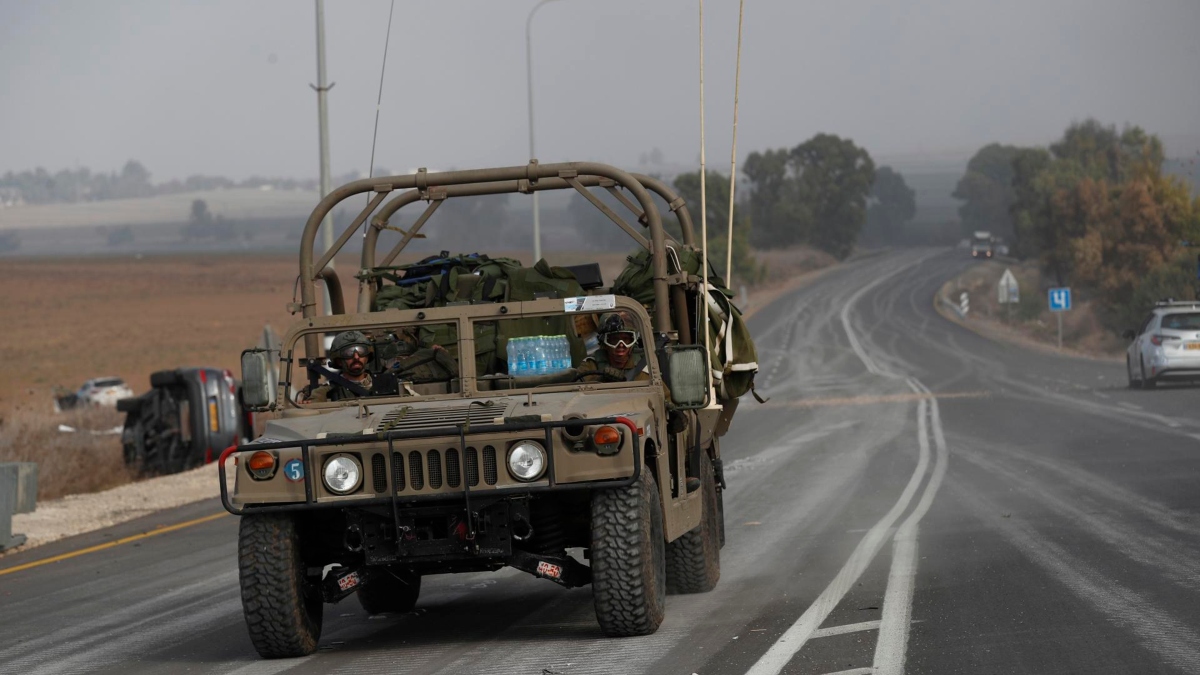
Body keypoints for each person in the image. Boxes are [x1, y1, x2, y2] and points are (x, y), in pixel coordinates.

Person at [303, 330, 400, 403]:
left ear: (367, 356)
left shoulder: (387, 384)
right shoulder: (327, 391)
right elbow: (312, 409)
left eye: (361, 351)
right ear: (339, 361)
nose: (356, 357)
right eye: (349, 353)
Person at [577, 312, 649, 381]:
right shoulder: (591, 364)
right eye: (614, 340)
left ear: (634, 340)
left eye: (626, 339)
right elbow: (577, 387)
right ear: (604, 342)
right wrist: (600, 380)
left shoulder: (646, 363)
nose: (621, 345)